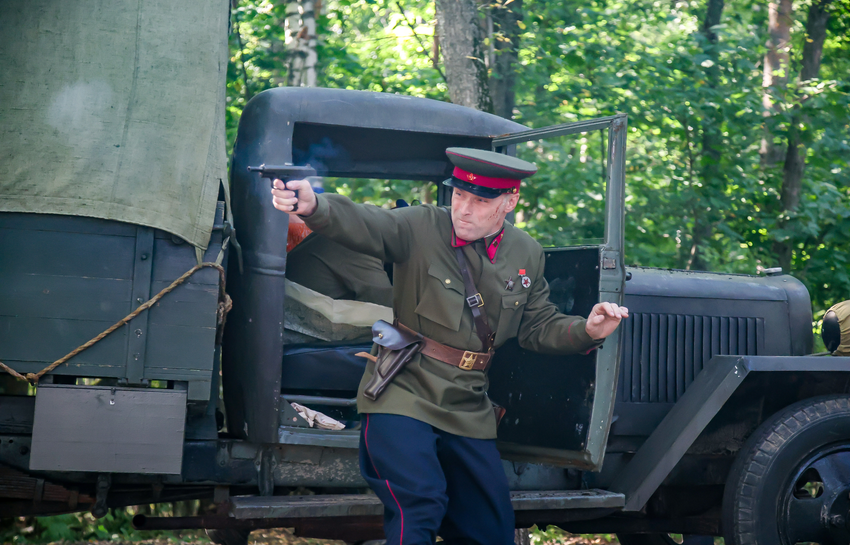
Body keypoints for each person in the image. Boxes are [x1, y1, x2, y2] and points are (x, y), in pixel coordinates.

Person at [271, 147, 628, 545]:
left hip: (467, 404)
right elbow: (366, 222)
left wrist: (588, 330)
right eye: (459, 195)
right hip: (403, 391)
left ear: (510, 201)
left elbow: (536, 325)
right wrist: (313, 204)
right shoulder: (419, 226)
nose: (465, 209)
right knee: (419, 505)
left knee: (490, 529)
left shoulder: (527, 252)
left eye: (481, 200)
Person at [286, 213, 393, 307]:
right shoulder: (360, 245)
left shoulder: (352, 231)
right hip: (307, 323)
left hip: (300, 316)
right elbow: (387, 309)